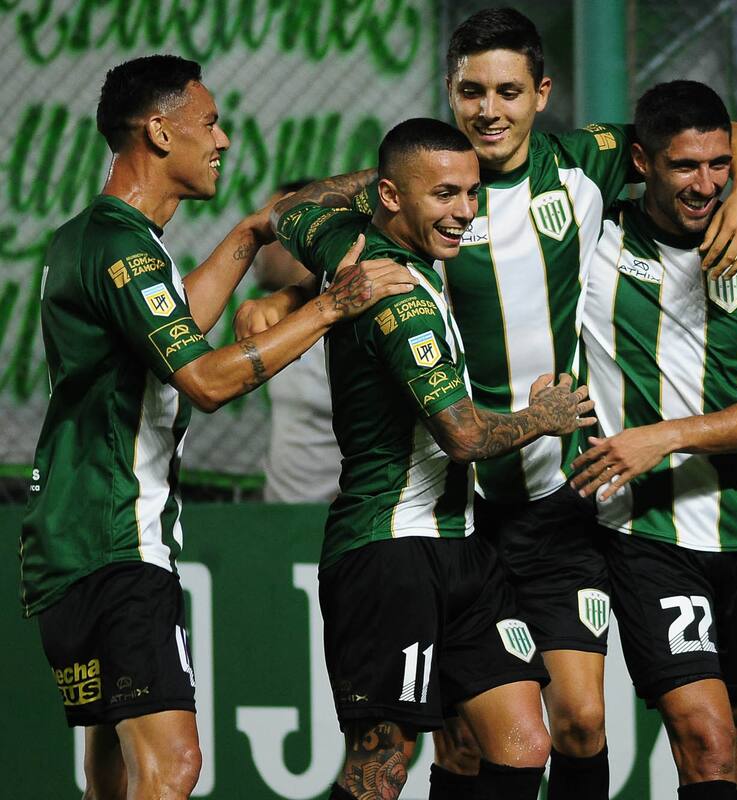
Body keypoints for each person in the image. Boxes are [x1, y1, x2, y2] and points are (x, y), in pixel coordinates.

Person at [237, 9, 737, 798]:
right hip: (457, 509)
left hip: (555, 504)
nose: (490, 110)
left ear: (541, 94)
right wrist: (295, 296)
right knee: (464, 746)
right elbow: (322, 228)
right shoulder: (429, 198)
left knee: (579, 720)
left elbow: (712, 131)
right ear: (449, 93)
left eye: (509, 92)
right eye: (472, 92)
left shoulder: (581, 165)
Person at [20, 55, 411, 800]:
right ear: (160, 132)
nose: (224, 139)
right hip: (117, 540)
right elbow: (203, 380)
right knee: (174, 766)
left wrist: (254, 230)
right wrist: (332, 305)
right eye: (210, 122)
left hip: (71, 542)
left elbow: (178, 329)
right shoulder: (124, 248)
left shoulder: (89, 238)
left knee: (113, 776)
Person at [271, 117, 597, 800]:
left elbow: (294, 209)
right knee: (382, 765)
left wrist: (407, 174)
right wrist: (545, 417)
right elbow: (464, 437)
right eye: (444, 194)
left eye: (472, 192)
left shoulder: (343, 240)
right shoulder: (400, 303)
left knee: (522, 743)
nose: (465, 212)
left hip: (460, 546)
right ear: (391, 197)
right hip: (390, 552)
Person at [570, 81, 737, 800]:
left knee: (729, 743)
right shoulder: (592, 233)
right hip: (647, 533)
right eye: (684, 166)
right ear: (642, 162)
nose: (706, 185)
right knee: (705, 738)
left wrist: (662, 438)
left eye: (718, 165)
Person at [253, 180, 341, 504]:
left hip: (334, 521)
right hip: (281, 521)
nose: (259, 247)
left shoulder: (342, 327)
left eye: (270, 234)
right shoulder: (280, 319)